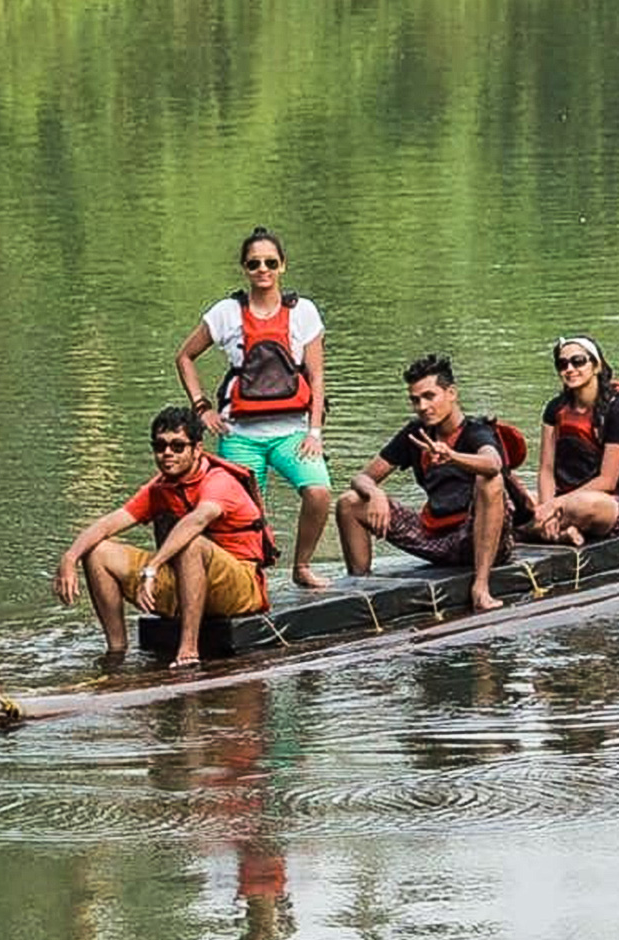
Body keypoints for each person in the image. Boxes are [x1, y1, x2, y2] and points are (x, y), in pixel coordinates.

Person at [53, 406, 274, 669]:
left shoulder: (219, 481)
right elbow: (109, 523)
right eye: (160, 446)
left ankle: (188, 650)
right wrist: (70, 557)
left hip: (240, 585)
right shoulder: (159, 487)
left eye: (178, 446)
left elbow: (197, 520)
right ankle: (116, 651)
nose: (167, 453)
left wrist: (153, 567)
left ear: (197, 449)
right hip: (184, 580)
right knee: (98, 552)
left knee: (191, 542)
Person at [175, 226, 333, 589]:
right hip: (239, 433)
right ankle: (251, 580)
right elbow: (184, 357)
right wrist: (201, 409)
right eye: (254, 263)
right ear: (244, 269)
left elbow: (317, 376)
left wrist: (315, 432)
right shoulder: (225, 312)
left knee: (319, 491)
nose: (263, 269)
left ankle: (302, 566)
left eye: (270, 263)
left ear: (283, 267)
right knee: (243, 516)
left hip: (293, 432)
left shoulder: (304, 312)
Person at [335, 354, 512, 612]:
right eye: (415, 400)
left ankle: (481, 587)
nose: (422, 406)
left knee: (490, 482)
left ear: (451, 393)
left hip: (479, 540)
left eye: (430, 396)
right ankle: (361, 590)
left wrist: (451, 456)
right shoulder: (415, 433)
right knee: (349, 502)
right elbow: (361, 477)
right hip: (436, 537)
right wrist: (374, 494)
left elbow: (493, 464)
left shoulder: (476, 431)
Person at [529, 335, 619, 545]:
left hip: (611, 500)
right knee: (509, 502)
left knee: (582, 506)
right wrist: (547, 505)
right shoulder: (554, 409)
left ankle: (533, 531)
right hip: (564, 497)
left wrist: (554, 506)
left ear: (596, 366)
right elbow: (546, 470)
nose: (569, 369)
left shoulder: (618, 410)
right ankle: (561, 534)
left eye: (578, 361)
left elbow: (607, 480)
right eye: (562, 364)